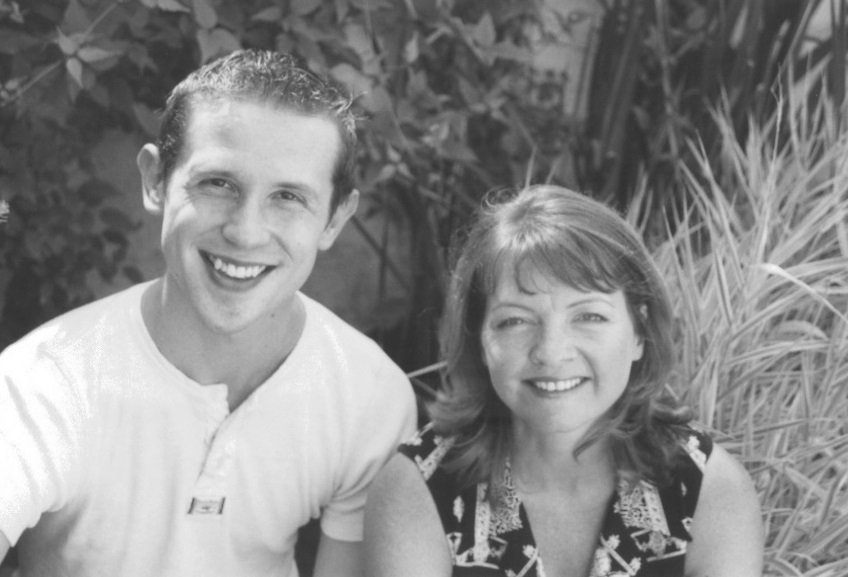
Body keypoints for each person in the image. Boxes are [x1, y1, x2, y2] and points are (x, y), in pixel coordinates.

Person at [0, 49, 417, 577]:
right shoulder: (44, 382)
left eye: (288, 197)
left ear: (335, 219)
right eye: (219, 184)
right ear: (155, 179)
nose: (245, 232)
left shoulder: (368, 394)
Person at [364, 185, 764, 577]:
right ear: (479, 340)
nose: (552, 352)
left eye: (589, 316)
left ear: (639, 333)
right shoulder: (417, 489)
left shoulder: (708, 489)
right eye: (515, 321)